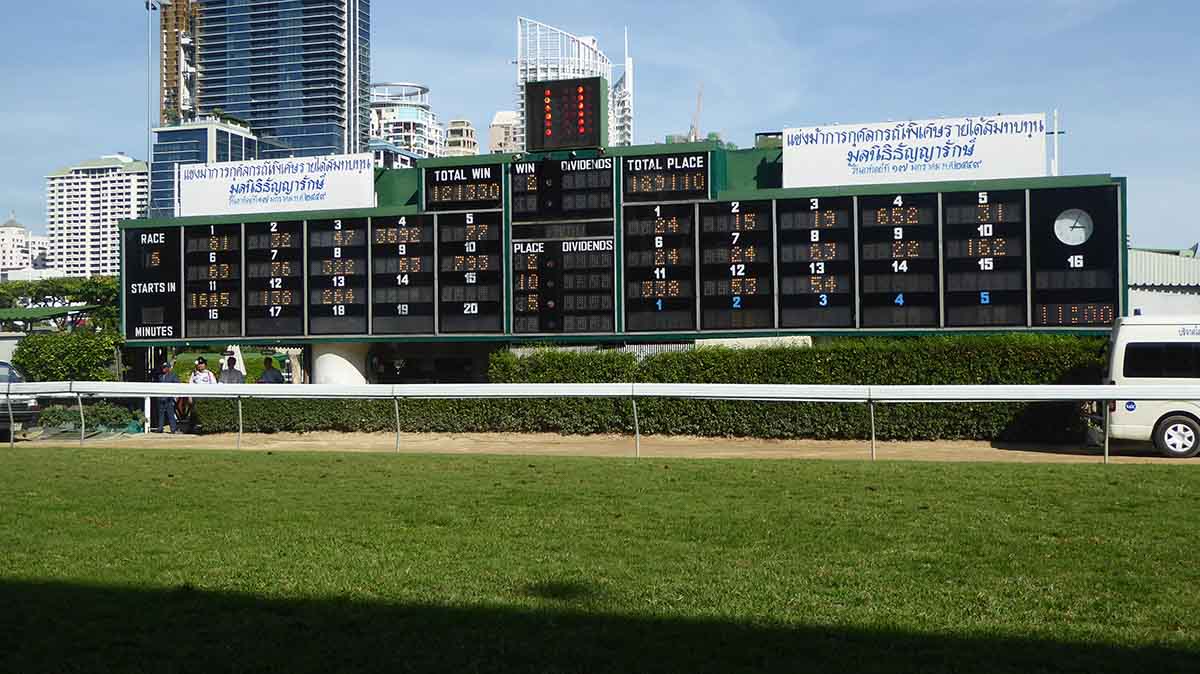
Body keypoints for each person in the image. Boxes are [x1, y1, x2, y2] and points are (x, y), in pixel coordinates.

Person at [156, 361, 179, 433]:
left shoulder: (173, 376)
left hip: (169, 398)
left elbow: (177, 385)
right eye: (163, 367)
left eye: (165, 367)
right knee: (160, 414)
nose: (163, 369)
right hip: (160, 398)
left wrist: (175, 396)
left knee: (170, 414)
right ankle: (160, 428)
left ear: (169, 368)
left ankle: (173, 429)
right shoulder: (159, 376)